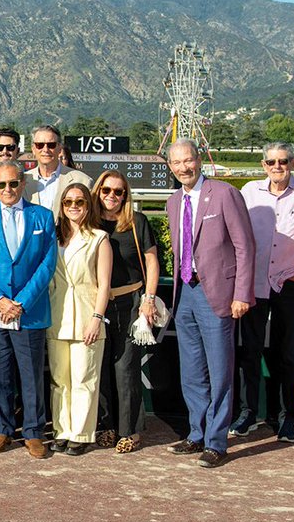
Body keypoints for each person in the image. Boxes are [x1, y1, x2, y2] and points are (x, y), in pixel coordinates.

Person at [164, 139, 255, 468]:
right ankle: (196, 433)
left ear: (199, 161)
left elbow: (245, 246)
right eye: (177, 163)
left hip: (217, 293)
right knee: (191, 371)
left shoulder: (224, 194)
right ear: (171, 167)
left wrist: (242, 293)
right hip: (185, 291)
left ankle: (217, 441)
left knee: (220, 371)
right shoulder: (174, 202)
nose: (183, 167)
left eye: (188, 160)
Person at [0, 160, 57, 458]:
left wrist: (20, 302)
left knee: (31, 375)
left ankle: (33, 431)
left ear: (23, 184)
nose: (7, 189)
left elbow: (48, 265)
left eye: (12, 183)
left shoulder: (43, 217)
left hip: (28, 312)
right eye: (1, 185)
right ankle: (4, 429)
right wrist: (0, 301)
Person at [235, 142, 294, 443]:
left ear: (292, 163)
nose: (277, 167)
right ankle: (248, 413)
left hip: (288, 284)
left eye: (283, 161)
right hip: (254, 283)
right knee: (249, 352)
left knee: (287, 354)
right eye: (271, 162)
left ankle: (286, 417)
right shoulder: (249, 191)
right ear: (263, 164)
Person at [92, 170, 159, 453]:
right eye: (106, 190)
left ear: (126, 195)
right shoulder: (89, 222)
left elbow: (152, 262)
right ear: (98, 192)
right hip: (96, 305)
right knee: (101, 367)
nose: (112, 196)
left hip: (131, 303)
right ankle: (105, 426)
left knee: (126, 368)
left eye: (118, 192)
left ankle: (129, 430)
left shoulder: (137, 222)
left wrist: (149, 299)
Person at [46, 183, 111, 456]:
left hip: (87, 316)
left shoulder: (99, 238)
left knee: (84, 378)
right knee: (60, 380)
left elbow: (104, 284)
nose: (73, 206)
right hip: (57, 317)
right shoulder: (53, 238)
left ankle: (82, 434)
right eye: (68, 202)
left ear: (88, 205)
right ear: (61, 206)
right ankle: (61, 430)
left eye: (80, 202)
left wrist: (97, 318)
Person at [26, 125, 91, 213]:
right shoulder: (22, 181)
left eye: (51, 145)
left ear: (59, 148)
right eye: (40, 145)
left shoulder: (83, 181)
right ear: (33, 149)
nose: (45, 149)